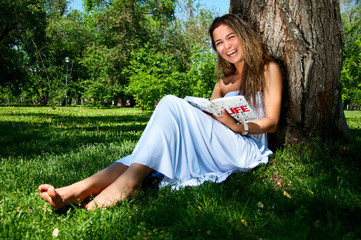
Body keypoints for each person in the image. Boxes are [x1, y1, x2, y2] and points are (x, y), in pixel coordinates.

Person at [38, 14, 282, 210]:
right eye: (219, 42)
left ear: (243, 36)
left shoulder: (266, 68)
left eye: (231, 37)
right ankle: (77, 190)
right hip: (218, 143)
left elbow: (271, 122)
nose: (226, 46)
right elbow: (210, 117)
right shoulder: (222, 82)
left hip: (246, 148)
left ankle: (131, 183)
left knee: (169, 102)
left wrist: (239, 126)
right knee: (149, 147)